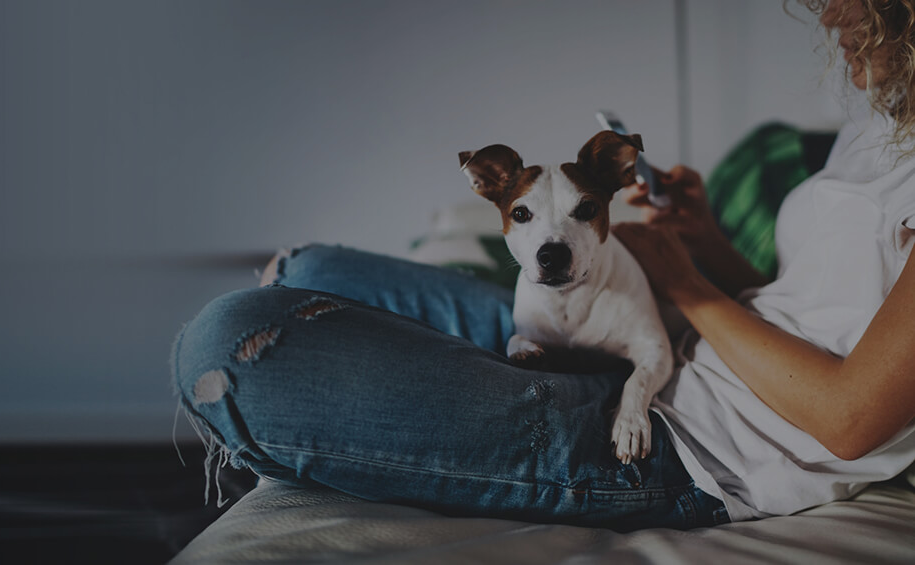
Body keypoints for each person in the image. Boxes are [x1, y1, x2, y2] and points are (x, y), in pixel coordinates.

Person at [171, 0, 915, 530]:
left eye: (872, 2)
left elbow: (850, 420)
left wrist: (681, 279)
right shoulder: (883, 120)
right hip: (684, 347)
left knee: (232, 342)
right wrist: (705, 242)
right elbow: (801, 299)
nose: (833, 16)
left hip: (693, 446)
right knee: (311, 265)